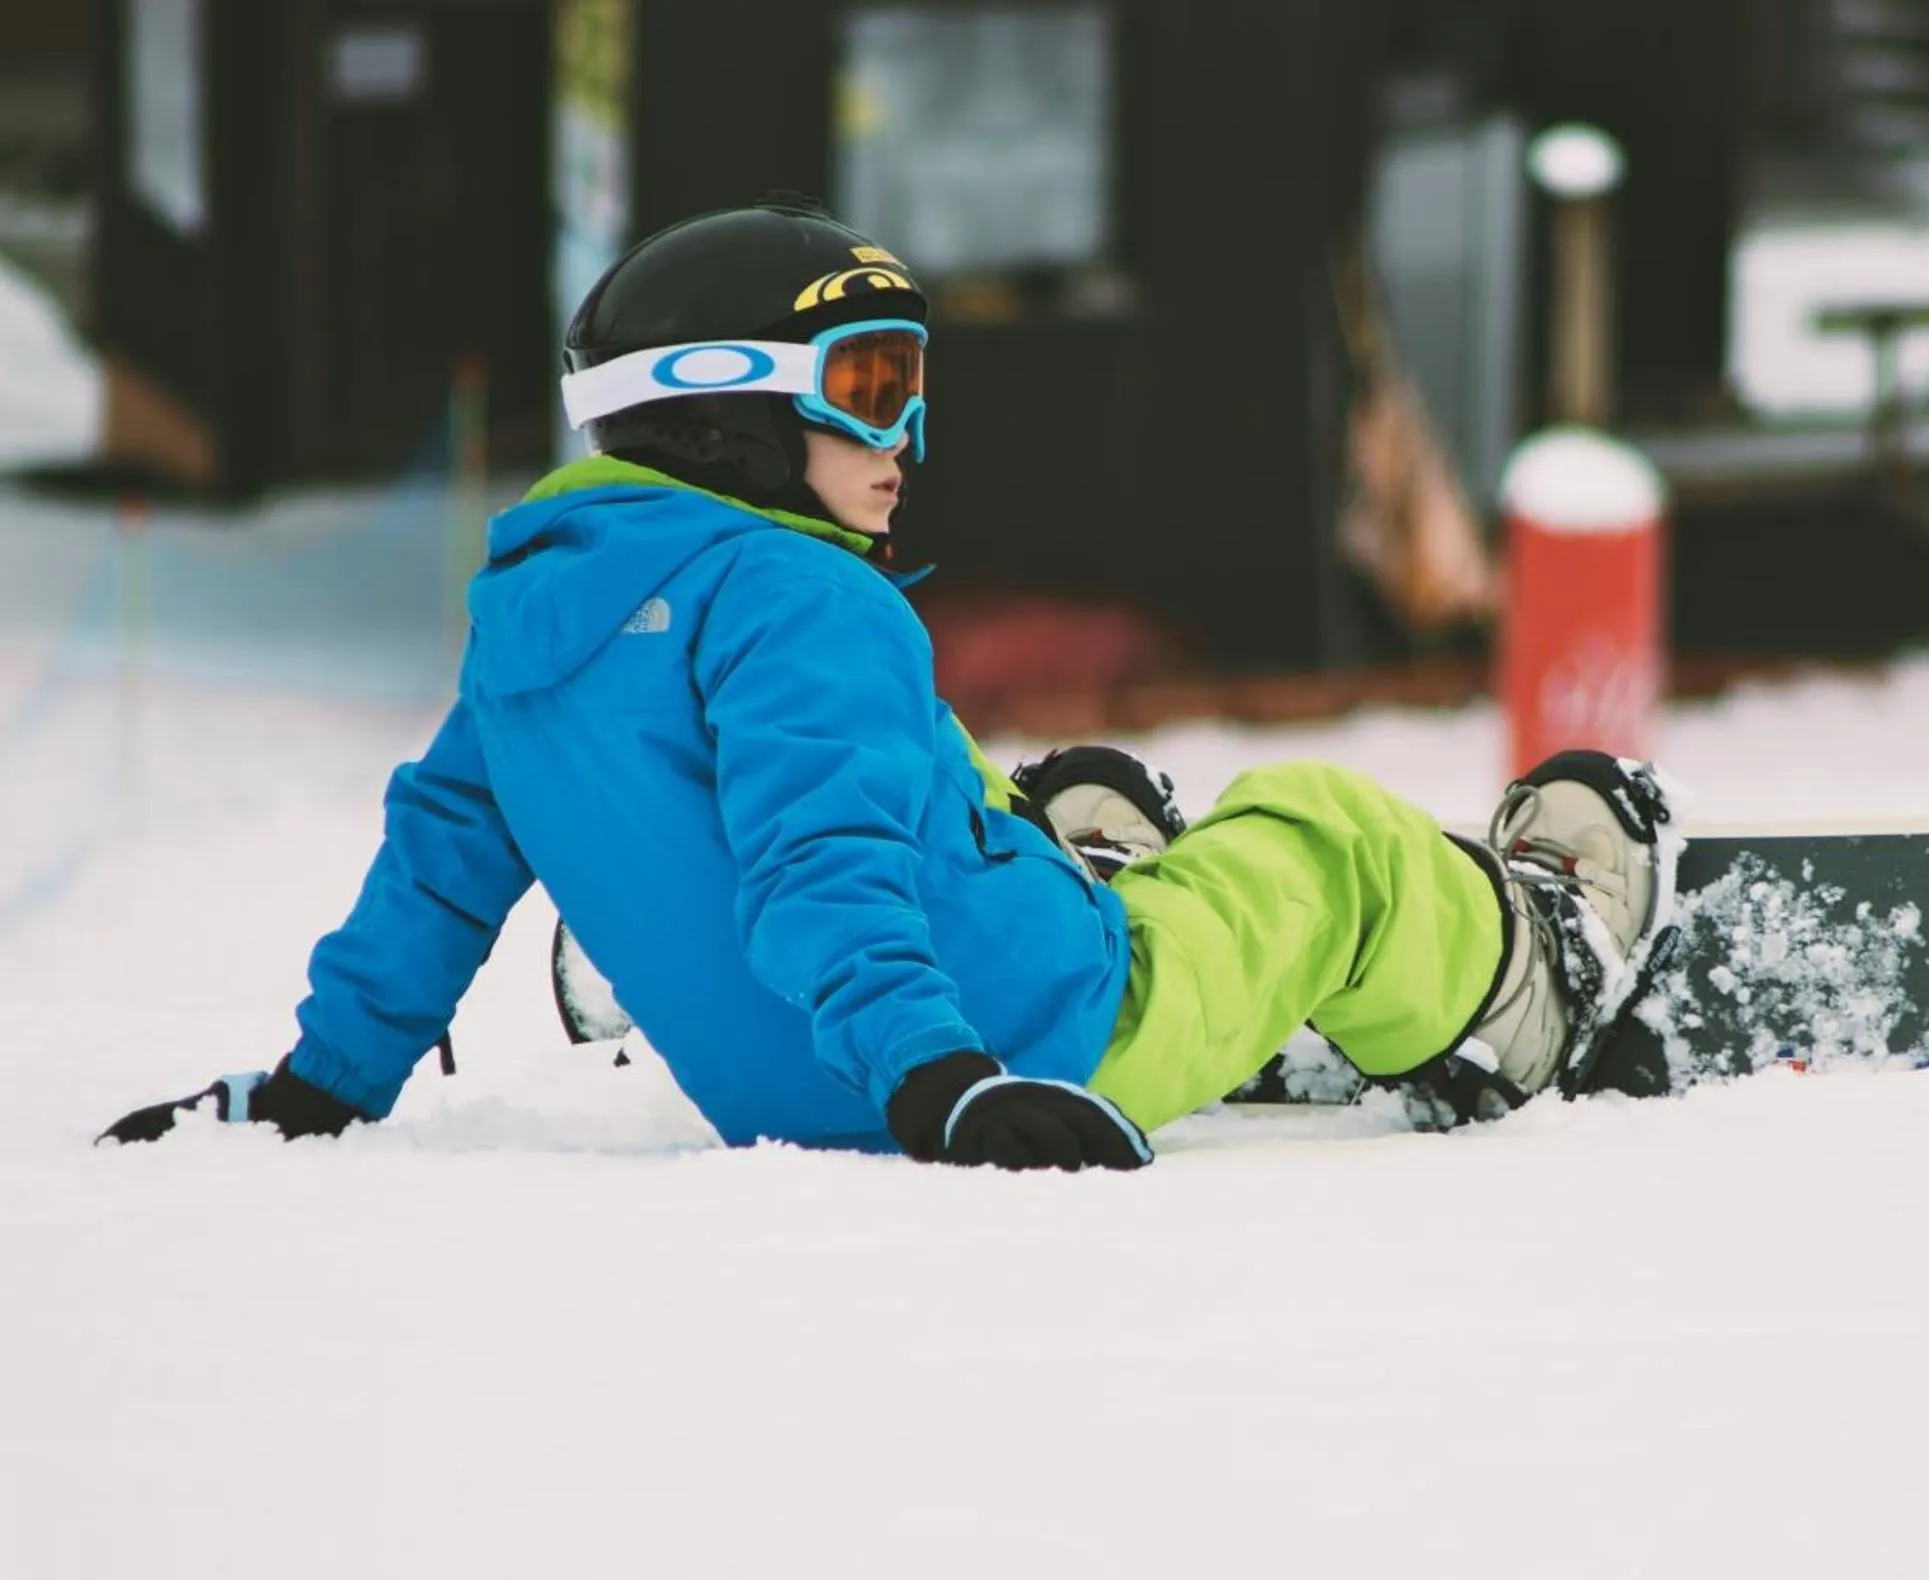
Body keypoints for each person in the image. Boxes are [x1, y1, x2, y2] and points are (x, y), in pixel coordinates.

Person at [98, 197, 1675, 1172]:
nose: (902, 440)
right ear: (721, 405)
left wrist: (322, 1089)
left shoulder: (530, 624)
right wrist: (943, 1081)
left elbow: (436, 873)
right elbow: (822, 861)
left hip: (789, 1087)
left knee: (950, 777)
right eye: (867, 389)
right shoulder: (799, 594)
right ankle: (1521, 973)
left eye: (913, 386)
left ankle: (1075, 865)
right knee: (1314, 831)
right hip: (1028, 1038)